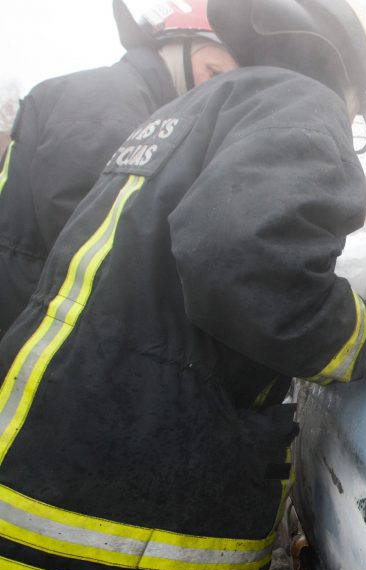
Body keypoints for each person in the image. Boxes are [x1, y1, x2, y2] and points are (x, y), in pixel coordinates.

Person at [0, 0, 366, 570]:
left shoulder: (189, 112)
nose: (348, 118)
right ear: (346, 74)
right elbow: (251, 273)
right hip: (109, 542)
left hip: (43, 485)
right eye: (358, 107)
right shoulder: (299, 103)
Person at [0, 0, 238, 338]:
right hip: (23, 316)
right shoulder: (110, 104)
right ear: (174, 46)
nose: (214, 92)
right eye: (213, 73)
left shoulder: (141, 105)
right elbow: (90, 236)